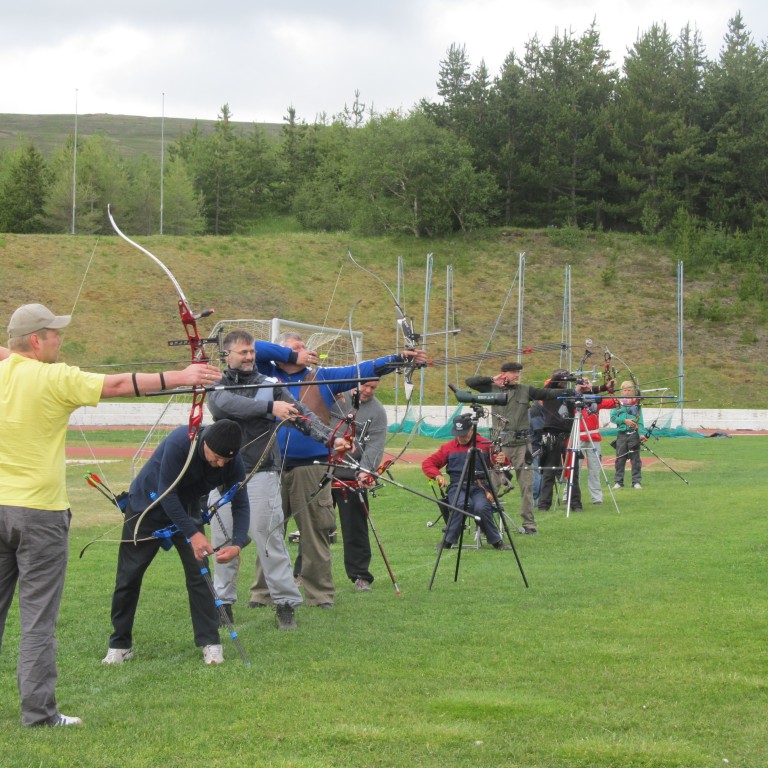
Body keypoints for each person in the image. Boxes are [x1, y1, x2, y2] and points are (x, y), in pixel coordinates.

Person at [0, 303, 220, 728]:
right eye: (54, 334)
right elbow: (120, 384)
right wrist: (184, 377)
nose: (59, 341)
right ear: (35, 340)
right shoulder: (53, 377)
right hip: (39, 514)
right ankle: (40, 715)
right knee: (37, 621)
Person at [252, 332, 426, 608]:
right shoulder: (265, 374)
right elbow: (254, 347)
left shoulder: (321, 377)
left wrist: (397, 359)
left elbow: (362, 370)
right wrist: (290, 356)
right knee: (268, 532)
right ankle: (262, 595)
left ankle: (319, 596)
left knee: (314, 533)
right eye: (295, 348)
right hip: (271, 466)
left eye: (303, 347)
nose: (304, 351)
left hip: (310, 467)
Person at [206, 329, 349, 630]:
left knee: (269, 540)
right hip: (222, 475)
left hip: (261, 473)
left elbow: (302, 415)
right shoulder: (217, 385)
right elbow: (224, 407)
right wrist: (270, 409)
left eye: (251, 352)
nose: (248, 357)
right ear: (227, 355)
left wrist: (329, 440)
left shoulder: (270, 384)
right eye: (242, 352)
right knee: (222, 542)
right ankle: (222, 604)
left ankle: (285, 604)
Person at [102, 419, 249, 667]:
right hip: (146, 507)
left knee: (199, 576)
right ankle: (120, 644)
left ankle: (211, 643)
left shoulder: (232, 462)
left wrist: (237, 543)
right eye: (217, 457)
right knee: (128, 577)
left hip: (187, 509)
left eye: (226, 460)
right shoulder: (181, 442)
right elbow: (166, 495)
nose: (221, 464)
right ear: (206, 443)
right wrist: (194, 534)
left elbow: (241, 502)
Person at [464, 361, 576, 535]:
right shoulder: (492, 388)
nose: (517, 375)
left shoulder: (525, 390)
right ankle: (485, 523)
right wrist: (493, 379)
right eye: (513, 372)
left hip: (523, 445)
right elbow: (470, 382)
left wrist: (571, 391)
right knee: (492, 484)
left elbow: (547, 393)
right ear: (504, 373)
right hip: (500, 445)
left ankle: (529, 524)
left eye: (518, 372)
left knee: (527, 485)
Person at [330, 379, 387, 592]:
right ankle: (303, 572)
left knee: (355, 527)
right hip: (323, 471)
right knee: (315, 526)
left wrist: (366, 470)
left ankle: (360, 575)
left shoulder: (377, 411)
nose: (368, 391)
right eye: (365, 385)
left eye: (373, 388)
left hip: (352, 476)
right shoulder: (335, 398)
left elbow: (375, 444)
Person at [421, 413, 511, 550]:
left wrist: (502, 460)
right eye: (458, 433)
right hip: (457, 486)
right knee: (461, 504)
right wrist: (438, 476)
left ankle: (496, 541)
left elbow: (501, 467)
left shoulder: (485, 445)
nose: (461, 437)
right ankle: (448, 541)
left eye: (464, 433)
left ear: (472, 430)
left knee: (481, 507)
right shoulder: (448, 447)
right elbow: (428, 463)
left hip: (480, 486)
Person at [536, 369, 614, 513]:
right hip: (551, 436)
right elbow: (553, 383)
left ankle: (575, 504)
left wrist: (603, 388)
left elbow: (588, 394)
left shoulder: (570, 393)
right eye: (563, 380)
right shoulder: (547, 392)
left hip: (569, 436)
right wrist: (571, 380)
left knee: (573, 471)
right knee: (549, 472)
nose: (565, 383)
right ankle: (543, 505)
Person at [578, 379, 616, 504]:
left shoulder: (595, 402)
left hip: (594, 439)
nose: (587, 387)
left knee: (594, 469)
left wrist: (610, 390)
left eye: (588, 384)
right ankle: (569, 496)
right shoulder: (574, 399)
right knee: (574, 469)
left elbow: (615, 402)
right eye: (584, 384)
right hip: (578, 438)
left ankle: (597, 498)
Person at [610, 381, 648, 489]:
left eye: (629, 390)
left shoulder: (636, 404)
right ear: (621, 391)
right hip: (622, 434)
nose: (627, 392)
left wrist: (641, 434)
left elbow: (640, 421)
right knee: (620, 459)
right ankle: (618, 482)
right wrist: (624, 420)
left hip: (634, 434)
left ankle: (636, 482)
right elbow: (613, 418)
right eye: (625, 390)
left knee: (635, 459)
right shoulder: (617, 403)